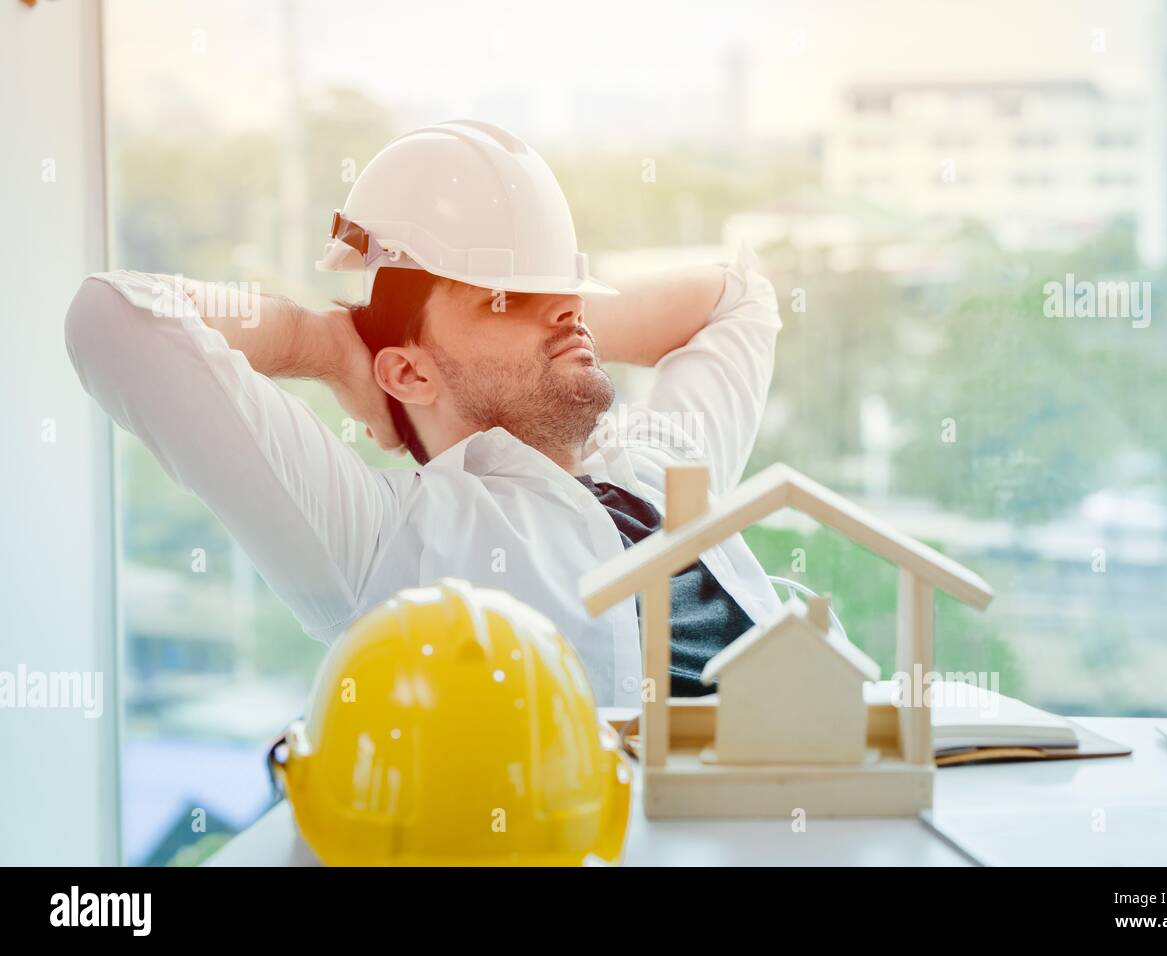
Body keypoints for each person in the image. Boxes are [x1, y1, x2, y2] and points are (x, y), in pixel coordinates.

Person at [64, 121, 784, 707]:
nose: (569, 307)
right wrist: (324, 345)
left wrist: (559, 323)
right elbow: (115, 317)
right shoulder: (385, 538)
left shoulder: (657, 468)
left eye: (565, 290)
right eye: (503, 296)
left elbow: (739, 301)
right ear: (407, 371)